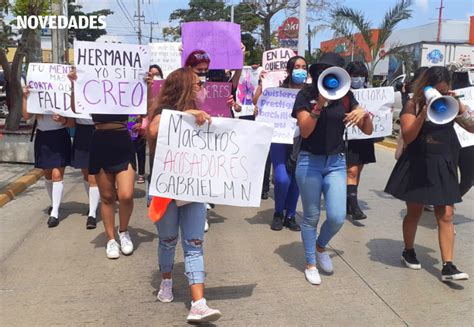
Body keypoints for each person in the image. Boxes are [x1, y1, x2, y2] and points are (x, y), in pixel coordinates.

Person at [385, 66, 473, 281]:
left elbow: (472, 127)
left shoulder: (451, 104)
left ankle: (448, 266)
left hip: (443, 162)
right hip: (419, 162)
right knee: (414, 211)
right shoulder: (413, 104)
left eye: (445, 91)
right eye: (438, 91)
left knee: (446, 214)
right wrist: (423, 113)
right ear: (426, 87)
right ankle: (408, 250)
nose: (441, 95)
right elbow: (408, 135)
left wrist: (459, 106)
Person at [147, 67, 221, 324]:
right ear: (184, 88)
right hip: (165, 190)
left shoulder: (203, 116)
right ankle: (166, 281)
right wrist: (187, 115)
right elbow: (153, 131)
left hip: (192, 189)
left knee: (194, 244)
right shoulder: (162, 112)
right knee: (168, 240)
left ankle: (198, 303)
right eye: (197, 84)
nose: (202, 87)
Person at [292, 52, 373, 285]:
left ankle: (320, 246)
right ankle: (310, 262)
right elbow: (305, 131)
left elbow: (367, 130)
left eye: (332, 72)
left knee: (337, 216)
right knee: (311, 216)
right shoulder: (305, 95)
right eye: (322, 71)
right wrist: (319, 104)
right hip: (309, 161)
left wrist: (363, 113)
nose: (326, 76)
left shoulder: (346, 95)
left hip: (336, 162)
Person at [68, 68, 136, 260]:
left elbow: (143, 107)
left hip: (122, 140)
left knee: (126, 195)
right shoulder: (94, 89)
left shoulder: (126, 89)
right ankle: (111, 239)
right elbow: (76, 108)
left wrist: (145, 85)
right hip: (99, 141)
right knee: (107, 196)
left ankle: (124, 232)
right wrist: (74, 84)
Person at [255, 56, 308, 231]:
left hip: (302, 140)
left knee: (296, 180)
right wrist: (261, 85)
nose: (300, 70)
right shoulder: (278, 91)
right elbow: (258, 102)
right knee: (281, 178)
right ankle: (278, 212)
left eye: (303, 67)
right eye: (297, 67)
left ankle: (290, 216)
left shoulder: (311, 93)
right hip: (279, 139)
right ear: (289, 70)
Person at [22, 88, 72, 228]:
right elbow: (26, 116)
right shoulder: (36, 101)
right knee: (48, 174)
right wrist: (25, 97)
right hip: (43, 138)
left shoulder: (62, 96)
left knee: (57, 175)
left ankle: (55, 213)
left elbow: (71, 122)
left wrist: (63, 119)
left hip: (59, 136)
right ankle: (53, 203)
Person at [345, 61, 375, 220]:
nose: (358, 79)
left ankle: (349, 199)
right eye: (354, 75)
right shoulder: (343, 93)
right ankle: (354, 207)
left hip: (363, 138)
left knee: (358, 171)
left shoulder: (372, 93)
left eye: (361, 76)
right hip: (348, 138)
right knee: (352, 171)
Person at [72, 116, 100, 229]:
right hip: (81, 131)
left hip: (98, 128)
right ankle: (93, 203)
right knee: (86, 174)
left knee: (93, 176)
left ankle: (92, 214)